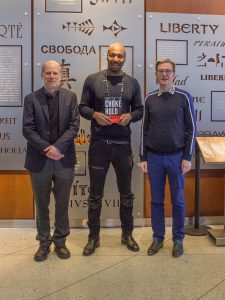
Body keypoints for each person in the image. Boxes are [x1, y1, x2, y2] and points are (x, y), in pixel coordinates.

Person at [79, 42, 143, 256]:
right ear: (106, 56)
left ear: (125, 58)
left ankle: (127, 234)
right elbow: (83, 107)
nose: (116, 59)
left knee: (127, 194)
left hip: (123, 146)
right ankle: (93, 238)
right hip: (98, 145)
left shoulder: (133, 83)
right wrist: (95, 115)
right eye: (112, 55)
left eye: (120, 56)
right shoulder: (92, 80)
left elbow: (140, 110)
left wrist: (130, 116)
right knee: (95, 195)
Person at [23, 60, 80, 261]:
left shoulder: (71, 97)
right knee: (42, 203)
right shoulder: (31, 99)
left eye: (55, 73)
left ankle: (60, 242)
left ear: (61, 76)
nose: (52, 76)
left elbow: (74, 126)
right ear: (42, 75)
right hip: (39, 160)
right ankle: (44, 243)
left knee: (63, 203)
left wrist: (57, 147)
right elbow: (27, 129)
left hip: (63, 159)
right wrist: (47, 149)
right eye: (48, 73)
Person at [139, 58, 196, 258]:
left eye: (168, 71)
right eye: (161, 71)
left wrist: (187, 156)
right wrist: (143, 157)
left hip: (177, 157)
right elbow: (144, 130)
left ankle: (178, 239)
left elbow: (191, 129)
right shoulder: (149, 98)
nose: (164, 74)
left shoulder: (184, 97)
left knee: (178, 201)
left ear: (174, 74)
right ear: (156, 75)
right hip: (154, 158)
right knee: (156, 201)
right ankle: (158, 238)